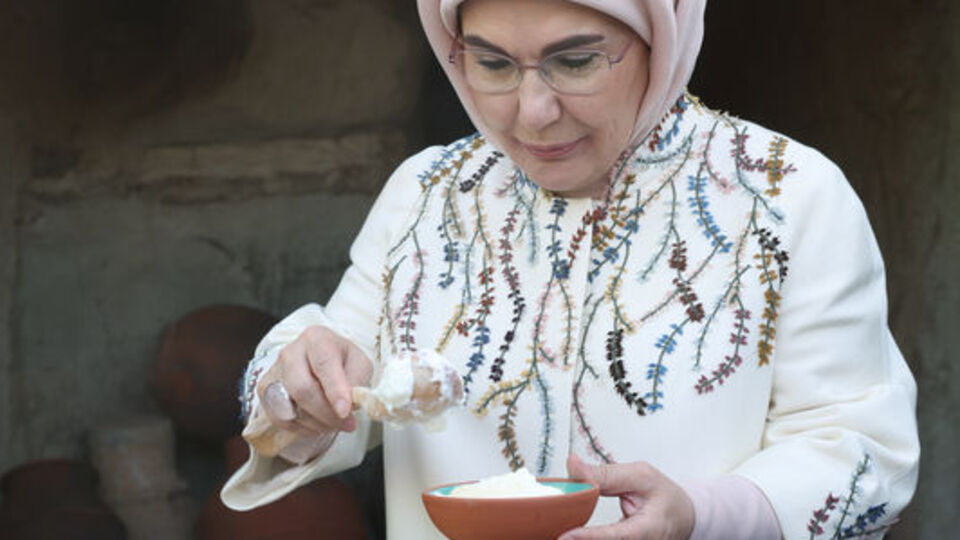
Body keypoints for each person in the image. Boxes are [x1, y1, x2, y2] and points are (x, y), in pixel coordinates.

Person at [221, 0, 920, 538]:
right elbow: (327, 392)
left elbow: (862, 448)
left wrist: (701, 516)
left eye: (576, 61)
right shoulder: (428, 196)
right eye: (492, 64)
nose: (532, 112)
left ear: (660, 35)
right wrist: (301, 392)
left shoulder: (786, 195)